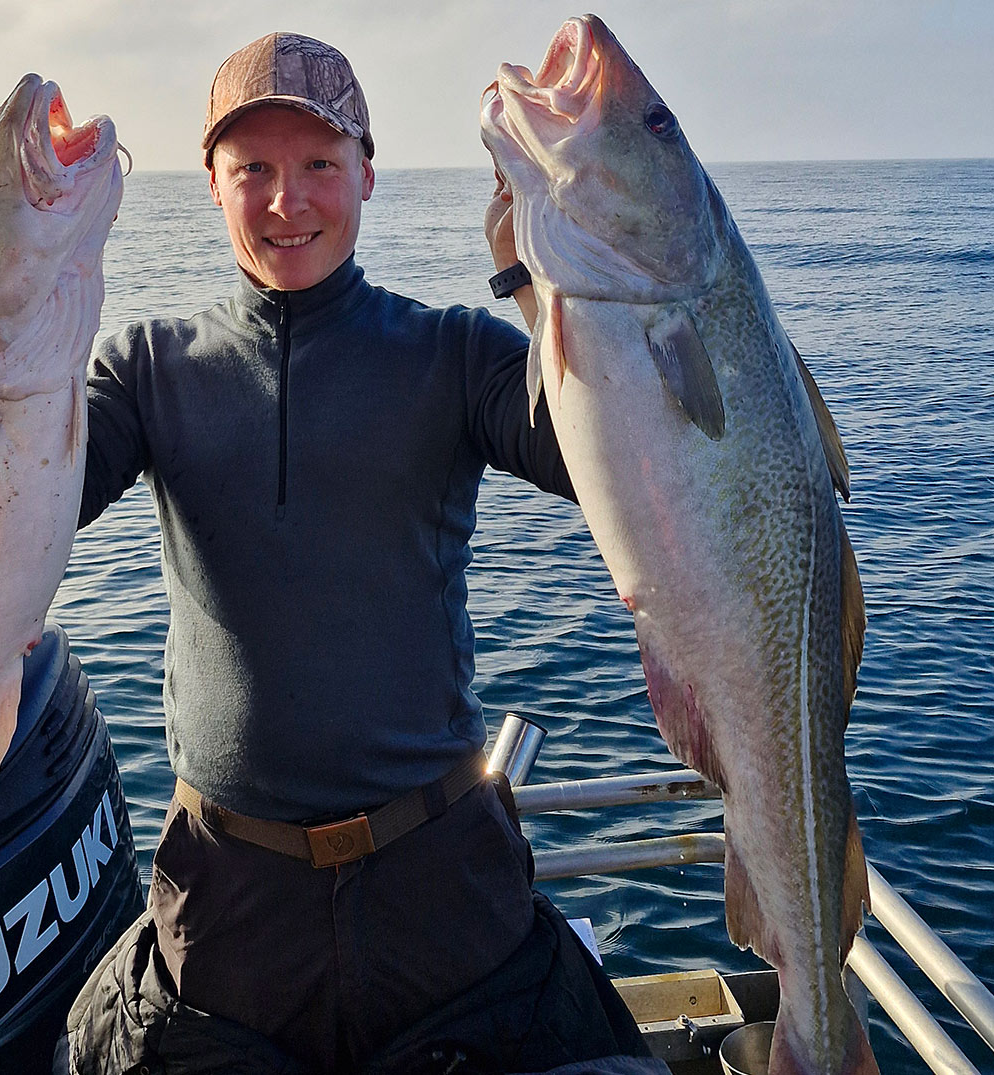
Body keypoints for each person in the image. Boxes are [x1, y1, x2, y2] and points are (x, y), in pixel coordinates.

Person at [64, 31, 663, 1075]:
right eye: (253, 168)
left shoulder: (454, 354)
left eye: (320, 166)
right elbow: (10, 504)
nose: (287, 201)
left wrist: (535, 272)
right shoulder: (143, 370)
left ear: (368, 176)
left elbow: (619, 465)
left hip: (441, 882)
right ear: (211, 183)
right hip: (228, 897)